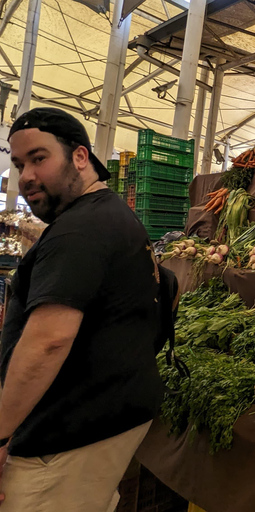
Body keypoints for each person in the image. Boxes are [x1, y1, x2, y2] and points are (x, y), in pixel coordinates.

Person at [0, 107, 165, 511]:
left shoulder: (80, 230)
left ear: (79, 156)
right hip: (100, 420)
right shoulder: (108, 215)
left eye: (39, 159)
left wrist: (0, 435)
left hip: (67, 437)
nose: (26, 177)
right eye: (19, 164)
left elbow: (49, 341)